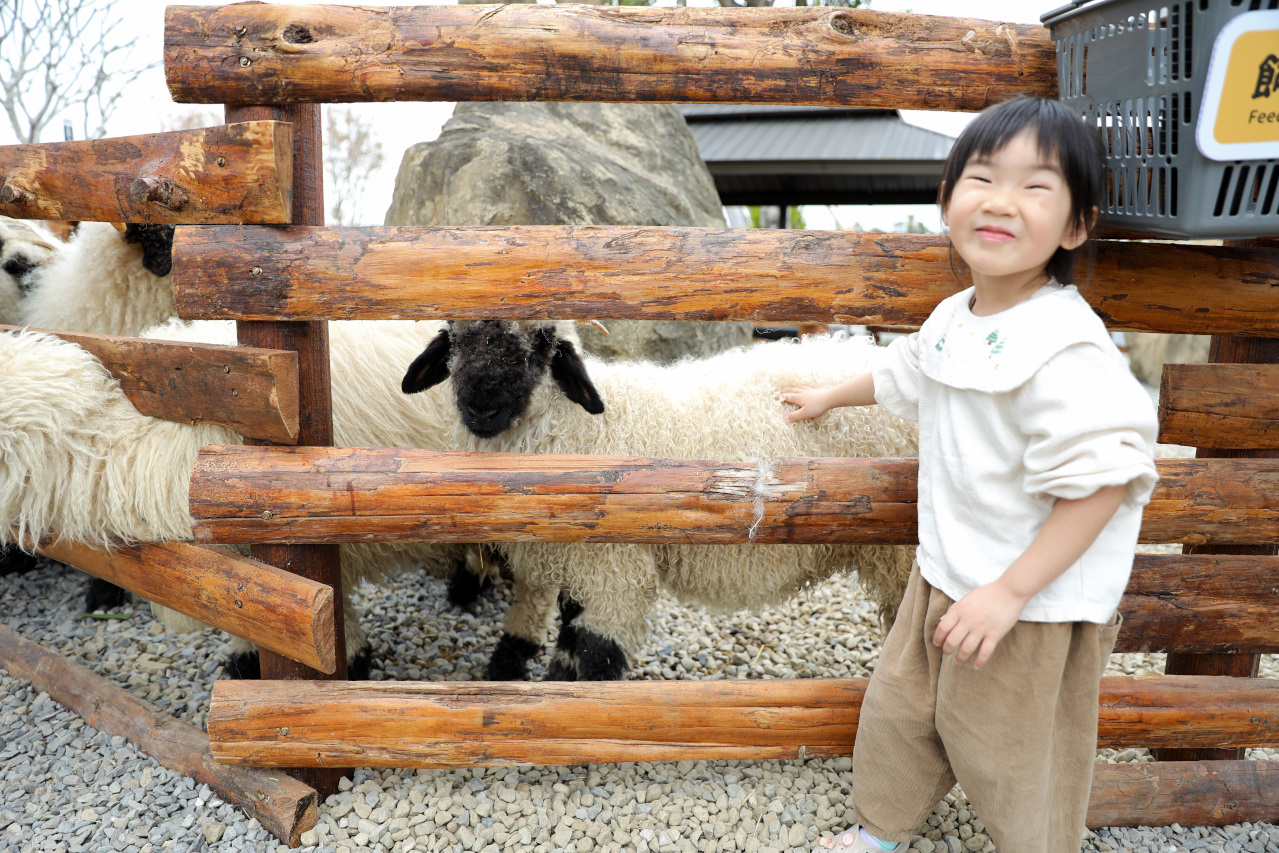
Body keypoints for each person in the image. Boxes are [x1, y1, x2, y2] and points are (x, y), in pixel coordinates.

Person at [779, 96, 1159, 853]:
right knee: (899, 709)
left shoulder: (1065, 346)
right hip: (947, 567)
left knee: (1014, 749)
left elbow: (1103, 482)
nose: (1000, 201)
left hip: (1034, 602)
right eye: (981, 177)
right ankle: (879, 827)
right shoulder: (956, 316)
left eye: (1034, 186)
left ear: (1076, 225)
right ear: (947, 198)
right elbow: (908, 368)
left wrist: (1009, 593)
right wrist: (826, 395)